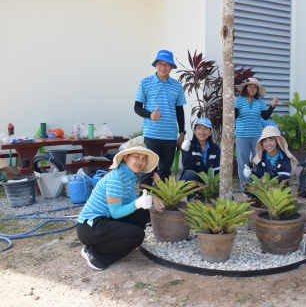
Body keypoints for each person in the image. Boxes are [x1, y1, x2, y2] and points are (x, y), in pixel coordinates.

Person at [77, 141, 163, 271]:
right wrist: (138, 203)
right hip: (90, 227)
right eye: (136, 156)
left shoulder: (130, 176)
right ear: (125, 157)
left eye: (144, 158)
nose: (141, 161)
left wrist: (149, 199)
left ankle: (117, 244)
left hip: (105, 220)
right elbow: (116, 213)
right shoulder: (116, 178)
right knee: (137, 235)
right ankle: (95, 253)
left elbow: (130, 203)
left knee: (142, 214)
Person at [134, 49, 187, 186]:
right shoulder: (145, 83)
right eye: (160, 63)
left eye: (167, 64)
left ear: (171, 67)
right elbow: (137, 107)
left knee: (164, 172)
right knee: (148, 170)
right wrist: (150, 115)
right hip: (151, 135)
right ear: (156, 65)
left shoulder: (177, 85)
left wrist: (182, 133)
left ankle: (160, 203)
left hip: (170, 136)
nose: (163, 67)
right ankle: (143, 204)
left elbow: (180, 111)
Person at [235, 78, 278, 190]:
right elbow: (234, 115)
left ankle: (260, 186)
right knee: (242, 162)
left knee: (259, 161)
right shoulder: (238, 100)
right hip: (241, 136)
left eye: (254, 87)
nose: (252, 89)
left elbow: (265, 116)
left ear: (257, 90)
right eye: (249, 86)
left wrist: (273, 105)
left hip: (257, 136)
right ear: (245, 88)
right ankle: (245, 187)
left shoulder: (260, 102)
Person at [180, 117, 221, 199]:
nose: (202, 132)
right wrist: (187, 152)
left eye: (206, 129)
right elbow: (188, 167)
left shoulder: (215, 148)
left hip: (210, 181)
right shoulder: (188, 145)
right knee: (189, 174)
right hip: (194, 181)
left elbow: (217, 170)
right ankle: (192, 198)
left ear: (210, 132)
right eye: (199, 128)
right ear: (194, 131)